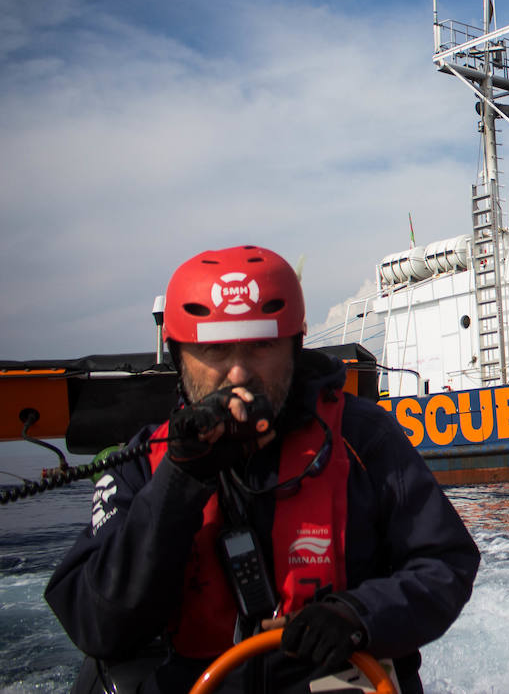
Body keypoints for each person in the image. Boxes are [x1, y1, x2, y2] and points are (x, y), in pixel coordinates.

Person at [46, 245, 480, 694]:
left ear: (295, 345)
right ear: (177, 355)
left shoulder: (362, 436)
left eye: (260, 346)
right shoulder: (144, 463)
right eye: (214, 349)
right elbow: (97, 623)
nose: (238, 374)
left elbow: (444, 561)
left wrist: (358, 615)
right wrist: (180, 481)